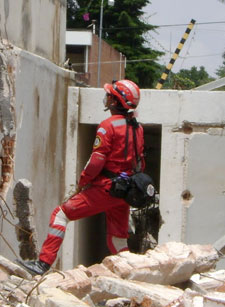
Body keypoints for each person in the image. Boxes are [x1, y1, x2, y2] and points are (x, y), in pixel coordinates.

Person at [18, 79, 144, 276]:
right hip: (125, 191)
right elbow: (139, 163)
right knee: (118, 239)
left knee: (60, 214)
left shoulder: (107, 126)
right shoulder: (138, 128)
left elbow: (96, 161)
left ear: (115, 101)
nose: (107, 98)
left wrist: (83, 181)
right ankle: (132, 275)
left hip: (106, 188)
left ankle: (42, 264)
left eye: (109, 96)